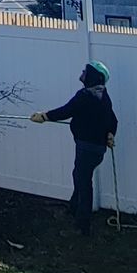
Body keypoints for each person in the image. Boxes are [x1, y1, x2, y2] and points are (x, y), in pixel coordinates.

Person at [33, 62, 119, 236]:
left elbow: (67, 111)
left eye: (85, 72)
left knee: (83, 182)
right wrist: (110, 133)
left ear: (94, 77)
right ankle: (73, 209)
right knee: (78, 176)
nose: (82, 73)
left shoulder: (85, 96)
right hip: (96, 149)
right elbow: (113, 119)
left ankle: (82, 226)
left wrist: (44, 116)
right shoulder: (104, 96)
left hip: (87, 147)